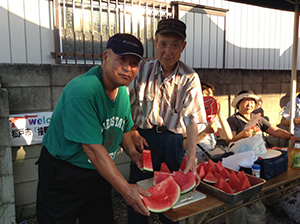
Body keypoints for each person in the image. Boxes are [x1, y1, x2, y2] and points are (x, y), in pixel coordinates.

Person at [36, 33, 151, 224]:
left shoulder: (122, 90)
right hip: (65, 174)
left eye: (134, 63)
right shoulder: (82, 91)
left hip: (99, 173)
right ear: (106, 57)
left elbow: (123, 128)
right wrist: (125, 188)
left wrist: (133, 153)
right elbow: (92, 149)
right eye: (122, 59)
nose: (127, 68)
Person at [128, 18, 206, 223]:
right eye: (163, 44)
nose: (168, 51)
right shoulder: (142, 70)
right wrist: (132, 131)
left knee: (173, 203)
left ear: (183, 47)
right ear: (154, 43)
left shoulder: (190, 77)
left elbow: (192, 117)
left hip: (172, 141)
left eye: (174, 45)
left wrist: (191, 156)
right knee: (137, 196)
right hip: (142, 139)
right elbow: (124, 104)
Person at [227, 90, 300, 145]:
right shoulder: (233, 120)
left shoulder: (258, 118)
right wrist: (242, 135)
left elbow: (275, 130)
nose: (249, 105)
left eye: (252, 102)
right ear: (238, 104)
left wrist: (290, 136)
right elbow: (229, 141)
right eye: (245, 102)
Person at [190, 82, 232, 162]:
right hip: (193, 160)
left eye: (211, 95)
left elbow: (227, 136)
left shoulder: (211, 117)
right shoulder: (188, 117)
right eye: (204, 94)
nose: (208, 97)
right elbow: (185, 144)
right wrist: (206, 132)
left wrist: (219, 113)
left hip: (210, 158)